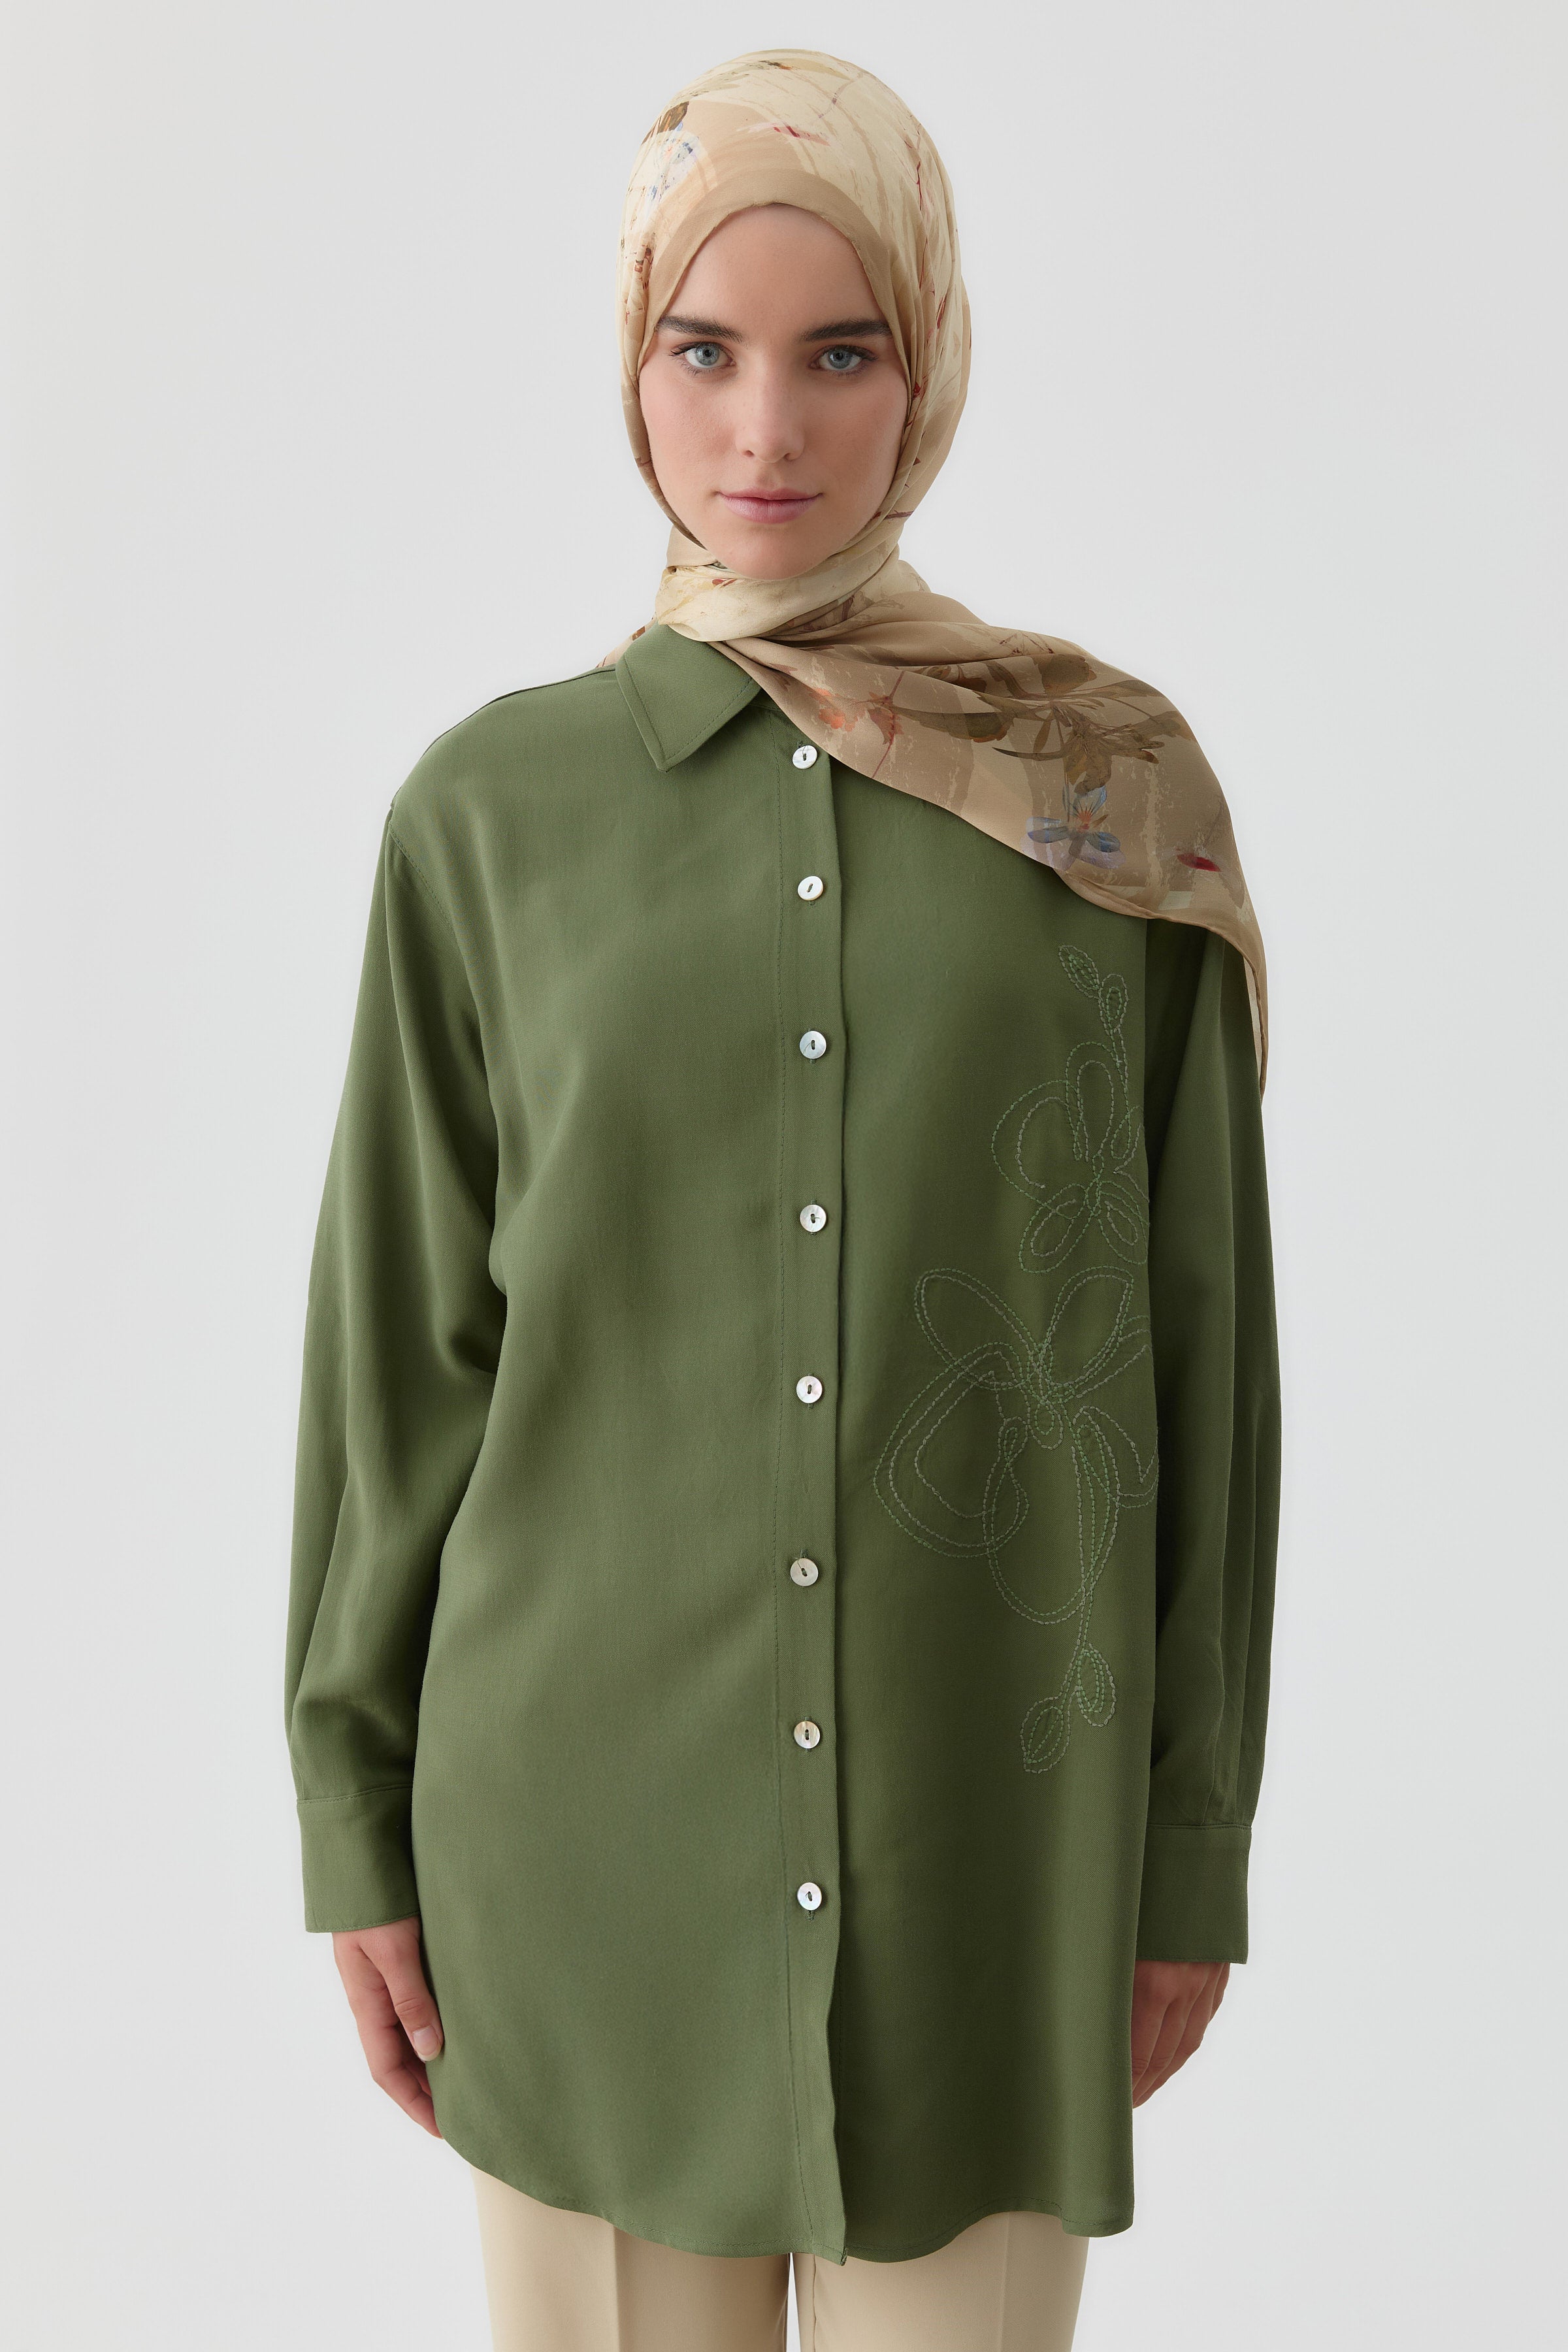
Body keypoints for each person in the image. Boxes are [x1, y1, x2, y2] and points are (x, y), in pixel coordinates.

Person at [285, 48, 1281, 2352]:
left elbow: (1201, 1358)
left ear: (925, 370)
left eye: (840, 354)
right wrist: (355, 1814)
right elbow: (398, 1365)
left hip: (990, 1874)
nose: (764, 430)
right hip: (577, 1864)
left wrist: (1189, 1843)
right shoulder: (488, 821)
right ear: (627, 363)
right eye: (701, 349)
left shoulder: (1101, 806)